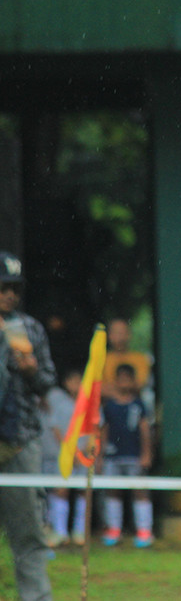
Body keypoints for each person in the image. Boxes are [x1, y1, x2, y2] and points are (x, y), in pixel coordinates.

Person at [0, 251, 55, 601]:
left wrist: (32, 370)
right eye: (3, 287)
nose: (10, 295)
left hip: (20, 441)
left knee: (29, 533)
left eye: (14, 288)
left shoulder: (29, 328)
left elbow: (47, 381)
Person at [101, 363, 154, 548]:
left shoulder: (139, 404)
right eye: (120, 378)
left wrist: (146, 454)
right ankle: (114, 529)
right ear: (115, 381)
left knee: (139, 492)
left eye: (127, 379)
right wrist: (100, 456)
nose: (124, 382)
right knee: (112, 492)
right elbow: (104, 430)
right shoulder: (109, 406)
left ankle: (144, 531)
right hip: (112, 456)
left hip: (134, 455)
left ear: (133, 382)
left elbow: (145, 430)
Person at [41, 368, 89, 548]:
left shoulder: (90, 405)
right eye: (73, 381)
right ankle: (60, 532)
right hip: (67, 456)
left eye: (80, 380)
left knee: (83, 492)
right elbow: (56, 430)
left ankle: (80, 532)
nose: (76, 385)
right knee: (61, 491)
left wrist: (83, 452)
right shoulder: (61, 405)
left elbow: (96, 429)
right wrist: (71, 451)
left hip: (84, 456)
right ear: (66, 384)